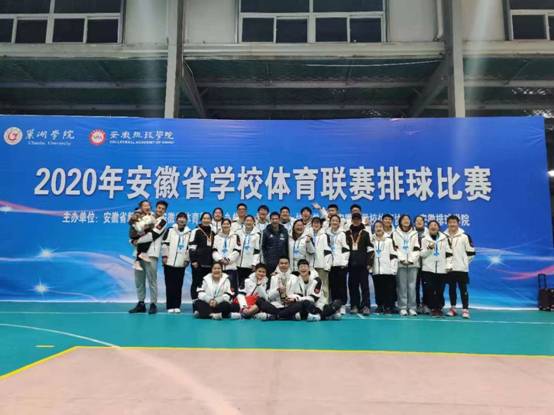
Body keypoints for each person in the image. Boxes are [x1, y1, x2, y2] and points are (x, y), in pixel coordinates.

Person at [129, 200, 168, 315]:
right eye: (159, 207)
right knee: (139, 280)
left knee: (152, 280)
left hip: (151, 254)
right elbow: (135, 229)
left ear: (165, 211)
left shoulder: (163, 221)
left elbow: (152, 235)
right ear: (155, 207)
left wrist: (137, 241)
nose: (160, 210)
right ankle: (141, 303)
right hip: (138, 254)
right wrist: (132, 240)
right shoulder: (146, 216)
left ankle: (153, 304)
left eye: (163, 209)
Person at [445, 215, 476, 319]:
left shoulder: (465, 236)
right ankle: (453, 308)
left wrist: (464, 263)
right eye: (450, 222)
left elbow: (471, 253)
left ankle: (465, 309)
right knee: (451, 289)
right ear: (447, 223)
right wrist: (447, 264)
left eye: (454, 222)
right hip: (449, 269)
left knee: (463, 289)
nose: (452, 224)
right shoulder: (443, 236)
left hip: (462, 269)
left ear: (458, 223)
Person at [256, 257, 305, 321]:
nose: (283, 265)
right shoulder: (273, 278)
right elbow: (269, 297)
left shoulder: (295, 278)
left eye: (286, 263)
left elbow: (299, 294)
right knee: (261, 302)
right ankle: (288, 316)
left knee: (302, 304)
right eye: (281, 263)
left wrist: (292, 299)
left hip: (290, 306)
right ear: (278, 265)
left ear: (289, 265)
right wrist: (277, 290)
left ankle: (275, 316)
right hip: (276, 305)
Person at [420, 220, 451, 317]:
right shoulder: (424, 239)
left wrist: (448, 265)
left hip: (442, 269)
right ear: (428, 228)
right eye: (431, 225)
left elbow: (449, 253)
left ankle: (439, 308)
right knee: (429, 288)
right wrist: (429, 248)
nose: (433, 226)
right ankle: (431, 307)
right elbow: (422, 254)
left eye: (435, 225)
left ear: (438, 227)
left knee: (440, 290)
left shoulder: (445, 238)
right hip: (428, 269)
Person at [161, 212, 190, 313]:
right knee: (169, 285)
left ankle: (177, 305)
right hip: (169, 262)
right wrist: (164, 256)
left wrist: (186, 260)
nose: (182, 220)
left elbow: (189, 248)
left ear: (186, 221)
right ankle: (170, 305)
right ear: (176, 220)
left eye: (184, 218)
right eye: (180, 218)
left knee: (178, 285)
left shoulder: (189, 233)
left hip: (181, 264)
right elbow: (164, 244)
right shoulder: (170, 230)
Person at [392, 214, 421, 316]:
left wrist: (411, 260)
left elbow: (417, 248)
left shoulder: (414, 233)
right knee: (402, 286)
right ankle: (402, 307)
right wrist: (402, 259)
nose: (406, 221)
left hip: (413, 264)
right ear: (400, 221)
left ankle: (412, 307)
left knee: (412, 286)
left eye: (408, 219)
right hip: (401, 264)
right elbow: (395, 248)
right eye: (404, 219)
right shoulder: (395, 233)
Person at [345, 212, 372, 315]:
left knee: (365, 286)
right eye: (354, 219)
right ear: (351, 220)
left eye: (358, 219)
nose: (356, 221)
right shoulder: (347, 233)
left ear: (361, 220)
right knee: (353, 286)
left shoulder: (365, 233)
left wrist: (369, 262)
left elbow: (370, 249)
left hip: (363, 265)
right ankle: (354, 305)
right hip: (351, 265)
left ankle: (366, 306)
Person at [369, 220, 398, 314]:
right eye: (376, 227)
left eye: (380, 227)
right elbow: (369, 255)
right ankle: (380, 305)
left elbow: (393, 255)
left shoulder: (389, 240)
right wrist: (370, 268)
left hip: (388, 269)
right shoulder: (371, 240)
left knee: (388, 289)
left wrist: (393, 269)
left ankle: (388, 306)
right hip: (376, 269)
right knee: (378, 289)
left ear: (383, 228)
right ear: (374, 229)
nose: (378, 228)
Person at [188, 212, 216, 301]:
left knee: (207, 283)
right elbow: (191, 246)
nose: (206, 220)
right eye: (204, 218)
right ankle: (195, 302)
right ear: (201, 220)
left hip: (209, 263)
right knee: (196, 282)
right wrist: (193, 260)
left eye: (208, 218)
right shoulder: (196, 231)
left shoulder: (213, 232)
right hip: (198, 263)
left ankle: (205, 302)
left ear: (211, 220)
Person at [326, 214, 350, 315]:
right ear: (330, 222)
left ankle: (342, 305)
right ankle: (335, 305)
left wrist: (344, 262)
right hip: (330, 264)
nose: (334, 222)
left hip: (340, 264)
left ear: (339, 223)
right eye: (333, 220)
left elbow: (346, 249)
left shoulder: (342, 234)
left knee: (342, 286)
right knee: (333, 286)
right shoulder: (326, 233)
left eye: (336, 221)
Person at [213, 218, 241, 293]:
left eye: (227, 224)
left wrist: (228, 260)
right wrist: (220, 259)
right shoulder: (216, 237)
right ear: (221, 225)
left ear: (230, 225)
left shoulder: (235, 236)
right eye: (224, 224)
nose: (225, 225)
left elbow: (237, 250)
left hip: (231, 266)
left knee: (232, 289)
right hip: (219, 267)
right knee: (219, 289)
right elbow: (214, 250)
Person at [308, 217, 332, 304]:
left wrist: (327, 265)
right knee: (312, 286)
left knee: (324, 286)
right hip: (311, 266)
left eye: (318, 223)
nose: (316, 224)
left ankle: (325, 304)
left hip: (322, 266)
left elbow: (328, 251)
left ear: (321, 225)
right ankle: (313, 304)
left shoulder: (324, 235)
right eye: (314, 223)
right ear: (311, 224)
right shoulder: (308, 236)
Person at [236, 215, 261, 289]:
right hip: (238, 263)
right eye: (247, 220)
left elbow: (257, 251)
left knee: (248, 285)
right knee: (238, 285)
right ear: (244, 222)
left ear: (254, 222)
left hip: (250, 265)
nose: (248, 222)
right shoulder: (238, 232)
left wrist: (254, 263)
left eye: (250, 221)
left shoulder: (257, 234)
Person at [414, 215, 430, 314]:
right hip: (415, 264)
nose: (419, 222)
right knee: (415, 286)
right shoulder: (411, 233)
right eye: (417, 220)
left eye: (421, 220)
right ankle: (416, 304)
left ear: (424, 222)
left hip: (426, 264)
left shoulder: (429, 233)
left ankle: (425, 304)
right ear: (414, 223)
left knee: (426, 286)